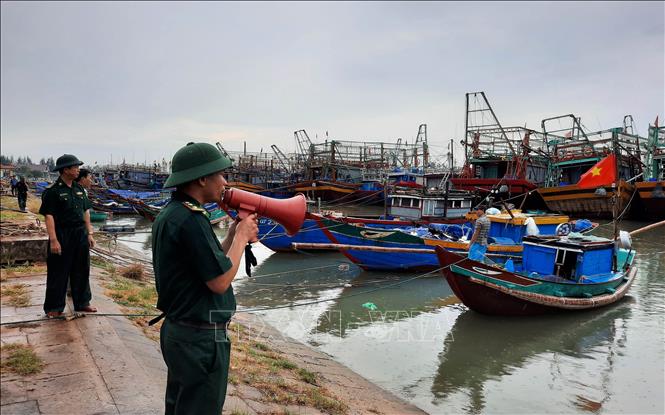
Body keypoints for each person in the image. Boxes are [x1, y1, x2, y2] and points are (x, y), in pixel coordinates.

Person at [152, 142, 258, 415]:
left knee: (181, 407)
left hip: (181, 332)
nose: (225, 182)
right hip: (200, 340)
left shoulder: (175, 213)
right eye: (220, 175)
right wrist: (244, 237)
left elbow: (208, 264)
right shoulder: (192, 219)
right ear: (202, 178)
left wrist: (233, 236)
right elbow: (219, 280)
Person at [39, 154, 97, 318]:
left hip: (80, 233)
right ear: (66, 170)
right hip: (62, 233)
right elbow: (49, 216)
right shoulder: (53, 191)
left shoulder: (79, 189)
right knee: (59, 270)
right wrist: (54, 240)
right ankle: (54, 306)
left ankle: (82, 302)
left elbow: (86, 212)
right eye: (75, 167)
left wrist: (89, 233)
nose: (78, 169)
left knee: (81, 269)